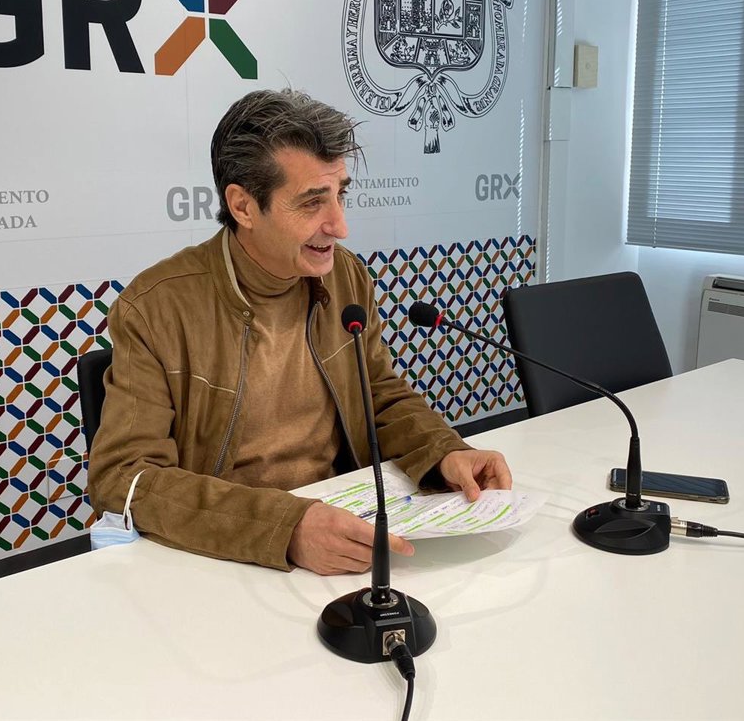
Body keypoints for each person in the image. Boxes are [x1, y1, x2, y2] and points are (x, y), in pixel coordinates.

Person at [87, 89, 512, 574]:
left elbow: (378, 394)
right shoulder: (156, 307)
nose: (340, 226)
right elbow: (123, 477)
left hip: (343, 523)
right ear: (244, 207)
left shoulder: (345, 276)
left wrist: (444, 451)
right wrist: (285, 528)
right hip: (228, 552)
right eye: (312, 203)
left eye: (340, 195)